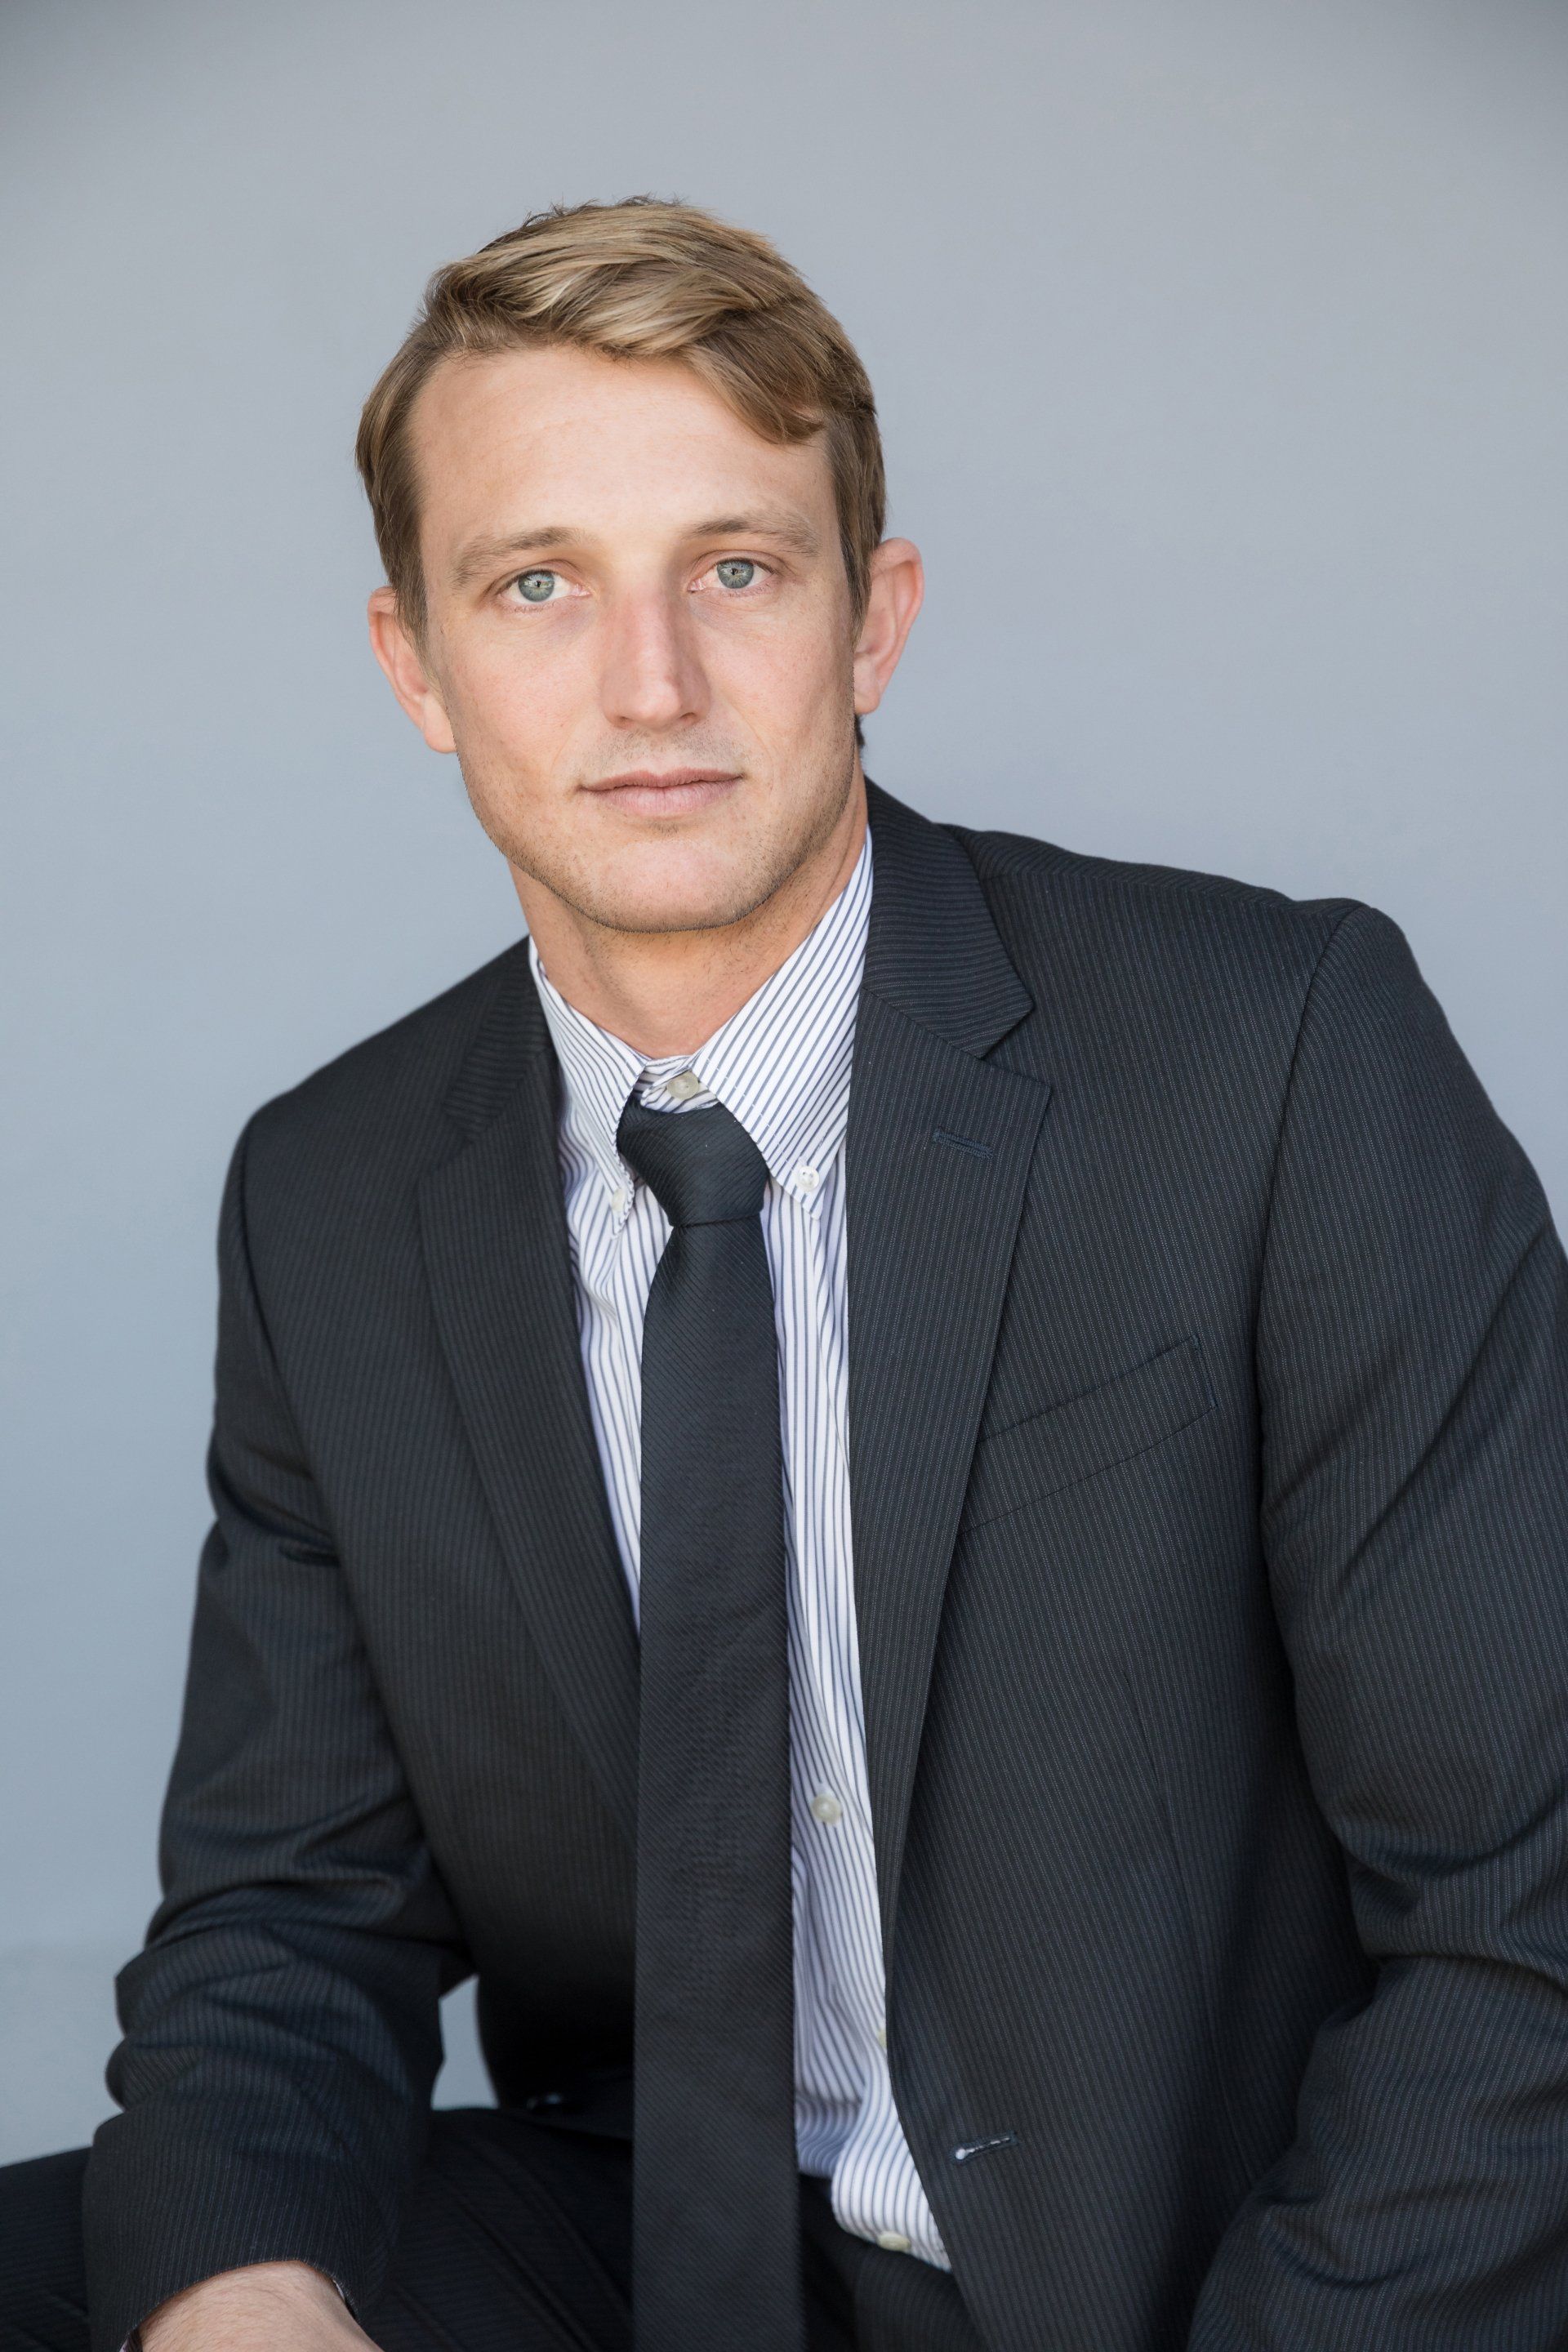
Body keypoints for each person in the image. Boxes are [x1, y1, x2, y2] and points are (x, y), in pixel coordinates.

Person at [4, 196, 1567, 2352]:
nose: (652, 685)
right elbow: (288, 1917)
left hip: (1207, 2264)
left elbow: (1531, 1913)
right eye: (536, 584)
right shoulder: (338, 1193)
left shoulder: (1275, 1054)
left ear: (872, 622)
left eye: (737, 568)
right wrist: (242, 2304)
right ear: (416, 667)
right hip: (671, 2240)